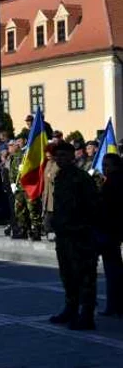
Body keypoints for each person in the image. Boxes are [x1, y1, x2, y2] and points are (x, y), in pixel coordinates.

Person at [49, 141, 99, 331]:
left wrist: (84, 226)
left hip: (80, 236)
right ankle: (71, 308)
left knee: (85, 277)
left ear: (72, 157)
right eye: (57, 156)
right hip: (64, 235)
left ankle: (87, 315)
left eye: (63, 155)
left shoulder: (81, 178)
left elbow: (93, 206)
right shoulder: (60, 176)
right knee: (67, 275)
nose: (59, 159)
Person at [97, 153, 123, 317]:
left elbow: (108, 209)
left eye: (109, 165)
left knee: (113, 271)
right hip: (113, 231)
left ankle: (114, 306)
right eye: (104, 165)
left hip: (110, 231)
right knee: (115, 269)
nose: (105, 168)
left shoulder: (113, 183)